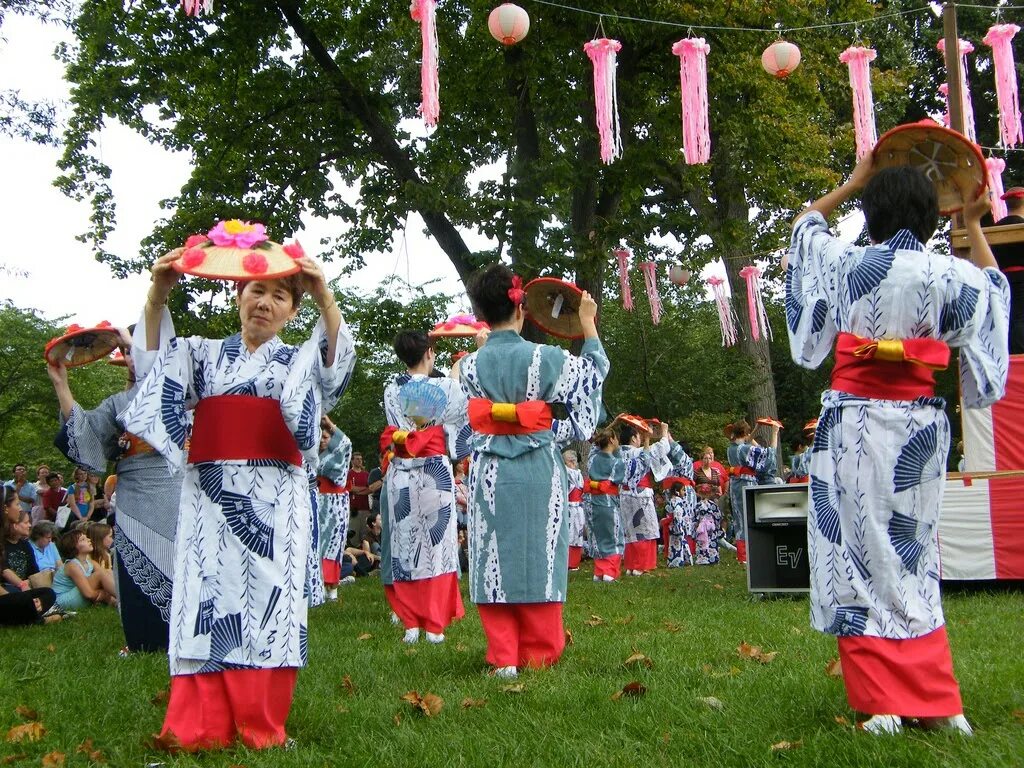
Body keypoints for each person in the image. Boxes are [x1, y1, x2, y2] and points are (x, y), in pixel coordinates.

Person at [784, 155, 1008, 735]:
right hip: (919, 426)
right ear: (935, 217)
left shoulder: (842, 261)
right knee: (913, 556)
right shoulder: (947, 275)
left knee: (855, 557)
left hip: (852, 423)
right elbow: (994, 292)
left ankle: (883, 701)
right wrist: (976, 227)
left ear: (871, 213)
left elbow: (805, 227)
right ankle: (937, 702)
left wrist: (850, 184)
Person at [121, 239, 355, 750]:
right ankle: (199, 726)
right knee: (205, 597)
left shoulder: (298, 359)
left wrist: (325, 298)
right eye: (255, 290)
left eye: (279, 295)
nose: (264, 302)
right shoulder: (201, 354)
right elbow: (153, 369)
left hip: (277, 495)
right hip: (209, 493)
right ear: (237, 296)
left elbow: (334, 376)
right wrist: (157, 298)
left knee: (268, 603)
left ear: (293, 310)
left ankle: (262, 725)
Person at [459, 265, 608, 678]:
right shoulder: (547, 358)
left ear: (482, 313)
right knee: (541, 550)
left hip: (488, 469)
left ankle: (503, 654)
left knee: (493, 550)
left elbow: (461, 422)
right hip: (539, 468)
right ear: (521, 307)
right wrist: (587, 324)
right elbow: (591, 381)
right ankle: (541, 652)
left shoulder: (468, 367)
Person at [50, 326, 182, 653]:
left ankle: (195, 638)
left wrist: (134, 347)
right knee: (137, 566)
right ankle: (144, 641)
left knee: (188, 565)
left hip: (183, 490)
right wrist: (61, 384)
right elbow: (86, 436)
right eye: (127, 351)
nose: (132, 355)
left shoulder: (182, 390)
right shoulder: (118, 404)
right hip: (135, 496)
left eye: (138, 348)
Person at [379, 329, 471, 644]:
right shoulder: (446, 387)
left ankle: (410, 623)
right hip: (434, 471)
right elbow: (461, 411)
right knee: (437, 546)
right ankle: (434, 624)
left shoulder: (391, 389)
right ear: (430, 353)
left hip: (401, 471)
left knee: (405, 545)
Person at [618, 421, 672, 576]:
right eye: (638, 436)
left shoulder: (617, 453)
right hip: (640, 494)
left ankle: (631, 565)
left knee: (630, 529)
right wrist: (663, 431)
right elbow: (663, 448)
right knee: (644, 529)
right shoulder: (639, 451)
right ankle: (641, 565)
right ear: (634, 439)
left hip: (624, 494)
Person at [725, 420, 779, 562]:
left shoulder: (731, 448)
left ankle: (742, 554)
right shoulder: (743, 449)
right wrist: (774, 433)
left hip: (735, 484)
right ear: (744, 433)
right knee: (748, 517)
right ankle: (747, 554)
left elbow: (746, 441)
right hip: (746, 484)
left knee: (739, 518)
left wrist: (756, 428)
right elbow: (768, 455)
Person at [317, 416, 352, 601]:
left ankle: (332, 590)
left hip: (335, 505)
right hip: (316, 501)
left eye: (326, 437)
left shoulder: (340, 452)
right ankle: (318, 588)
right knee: (316, 545)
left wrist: (330, 425)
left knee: (333, 545)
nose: (323, 440)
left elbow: (346, 442)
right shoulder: (312, 455)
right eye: (320, 437)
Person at [586, 428, 626, 582]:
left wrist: (613, 425)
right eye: (616, 438)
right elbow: (619, 477)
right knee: (613, 535)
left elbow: (596, 446)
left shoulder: (592, 458)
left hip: (591, 501)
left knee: (597, 534)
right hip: (608, 501)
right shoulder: (617, 463)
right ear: (611, 440)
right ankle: (610, 571)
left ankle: (599, 571)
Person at [989, 186, 1024, 353]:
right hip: (1021, 278)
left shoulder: (994, 229)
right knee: (1020, 318)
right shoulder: (1021, 227)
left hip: (1000, 280)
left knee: (1005, 319)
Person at [52, 529, 117, 609]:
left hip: (76, 595)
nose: (89, 540)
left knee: (108, 571)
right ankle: (125, 599)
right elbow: (89, 594)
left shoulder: (90, 562)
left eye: (87, 538)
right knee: (100, 574)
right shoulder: (72, 565)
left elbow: (106, 576)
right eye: (83, 539)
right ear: (73, 547)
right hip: (63, 601)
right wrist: (103, 593)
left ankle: (121, 602)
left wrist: (105, 590)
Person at [3, 505, 39, 591]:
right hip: (8, 587)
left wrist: (28, 583)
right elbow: (4, 572)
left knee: (48, 593)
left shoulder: (25, 545)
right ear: (15, 525)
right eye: (26, 522)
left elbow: (34, 571)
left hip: (27, 585)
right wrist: (22, 585)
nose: (30, 525)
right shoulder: (3, 545)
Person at [562, 450, 586, 571]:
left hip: (575, 507)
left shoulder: (572, 473)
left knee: (574, 534)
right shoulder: (573, 473)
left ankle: (572, 561)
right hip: (572, 507)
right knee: (573, 534)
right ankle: (571, 562)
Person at [665, 481, 696, 567]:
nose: (684, 492)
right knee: (678, 543)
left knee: (675, 543)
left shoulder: (671, 500)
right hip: (677, 525)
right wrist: (678, 525)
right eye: (683, 490)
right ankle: (679, 561)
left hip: (673, 525)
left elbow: (669, 511)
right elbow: (677, 514)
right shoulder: (678, 501)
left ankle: (679, 560)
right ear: (677, 491)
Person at [348, 452, 371, 541]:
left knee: (365, 534)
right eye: (357, 459)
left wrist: (359, 491)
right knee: (354, 534)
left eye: (361, 459)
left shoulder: (366, 474)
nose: (359, 461)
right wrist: (364, 489)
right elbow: (350, 488)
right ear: (352, 461)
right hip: (354, 508)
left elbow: (370, 489)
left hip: (365, 508)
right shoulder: (349, 473)